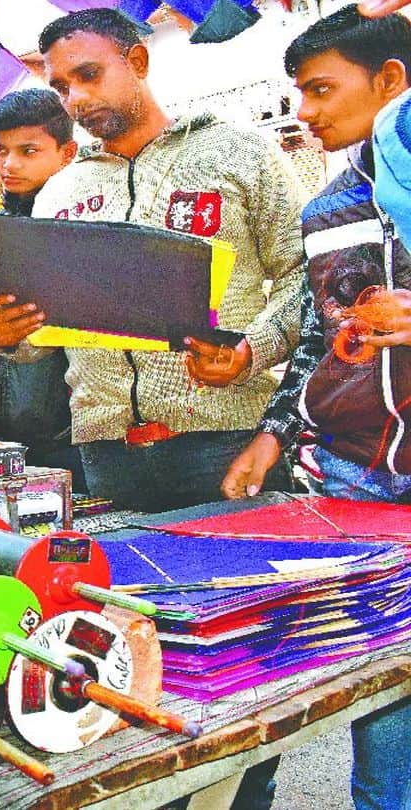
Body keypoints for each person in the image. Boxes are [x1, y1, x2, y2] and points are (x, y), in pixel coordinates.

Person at [0, 9, 305, 512]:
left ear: (138, 62)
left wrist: (252, 350)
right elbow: (46, 334)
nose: (76, 99)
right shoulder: (60, 192)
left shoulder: (238, 152)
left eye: (89, 75)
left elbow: (304, 275)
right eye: (62, 87)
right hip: (105, 453)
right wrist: (10, 335)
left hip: (227, 440)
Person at [220, 9, 411, 807]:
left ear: (391, 81)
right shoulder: (324, 211)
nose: (305, 111)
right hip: (355, 478)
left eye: (322, 89)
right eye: (299, 92)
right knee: (384, 698)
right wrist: (272, 434)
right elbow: (315, 335)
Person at [0, 88, 86, 490]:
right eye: (1, 151)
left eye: (28, 151)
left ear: (67, 153)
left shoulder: (81, 226)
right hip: (1, 434)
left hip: (68, 437)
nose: (9, 165)